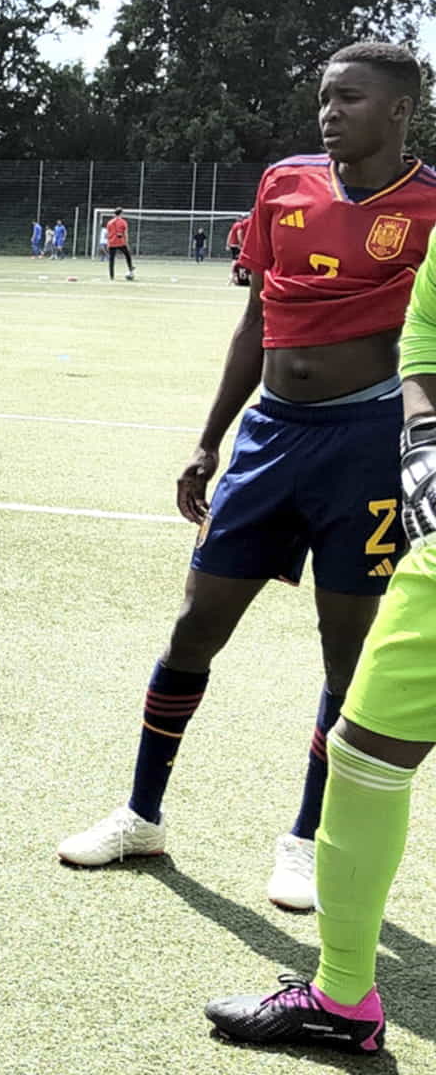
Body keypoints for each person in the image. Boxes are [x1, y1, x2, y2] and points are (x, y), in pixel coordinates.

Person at [57, 42, 436, 924]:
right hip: (271, 433)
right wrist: (208, 439)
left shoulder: (428, 206)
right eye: (322, 99)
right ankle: (142, 814)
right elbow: (254, 315)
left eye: (349, 99)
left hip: (368, 447)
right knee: (195, 625)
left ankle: (306, 839)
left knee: (348, 657)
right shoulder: (284, 184)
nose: (329, 113)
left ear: (400, 112)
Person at [203, 173, 436, 1054]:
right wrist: (423, 439)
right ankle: (343, 999)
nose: (331, 115)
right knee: (364, 749)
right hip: (427, 531)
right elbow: (426, 336)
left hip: (359, 455)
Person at [106, 208, 134, 279]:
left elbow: (107, 234)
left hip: (112, 243)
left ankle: (111, 276)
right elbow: (125, 233)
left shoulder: (109, 222)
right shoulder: (123, 222)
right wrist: (127, 243)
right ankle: (130, 269)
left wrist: (108, 243)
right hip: (121, 242)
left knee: (111, 260)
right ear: (121, 213)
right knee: (128, 255)